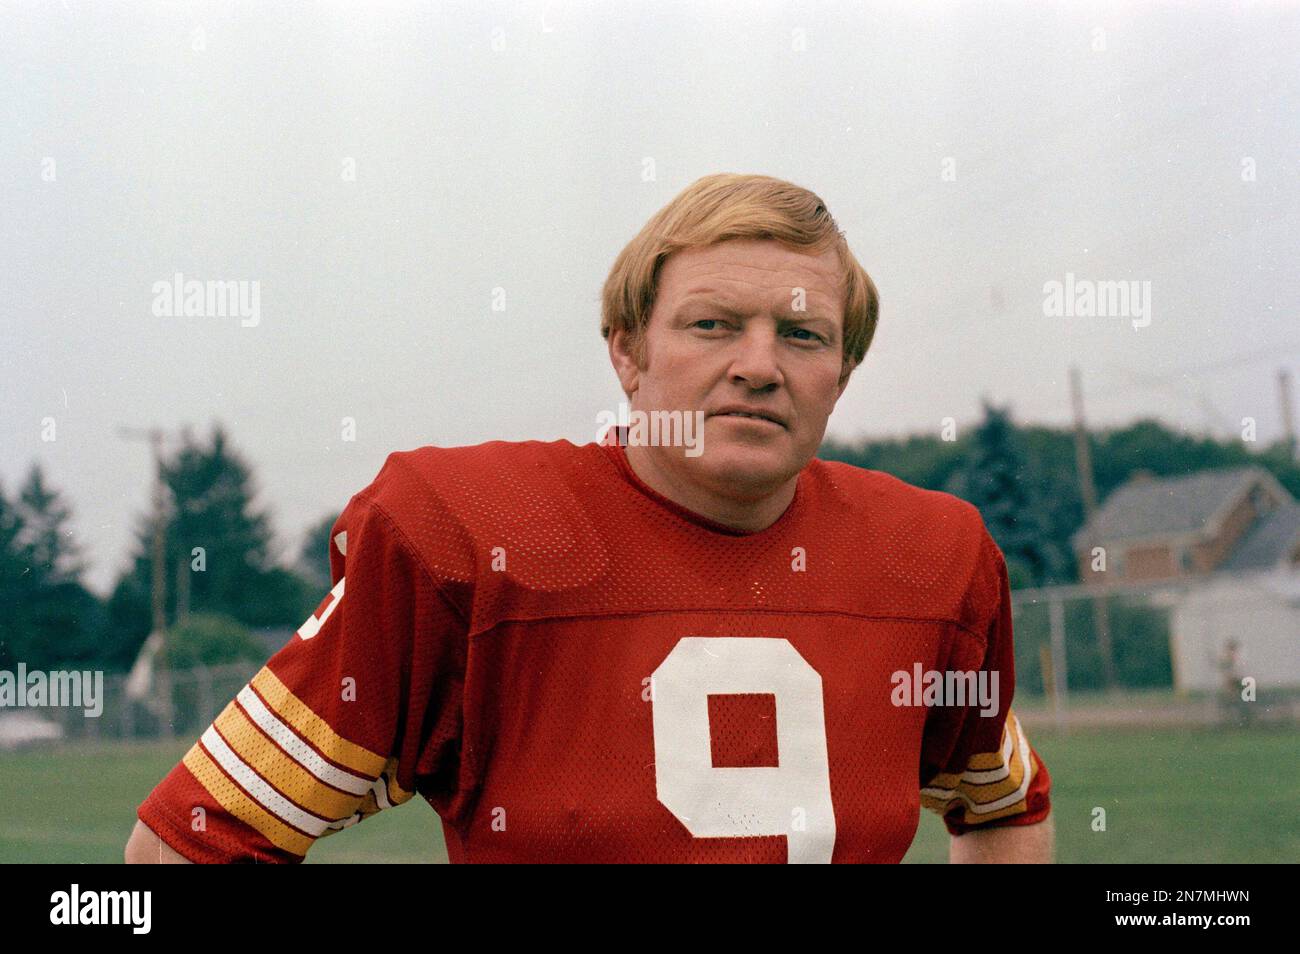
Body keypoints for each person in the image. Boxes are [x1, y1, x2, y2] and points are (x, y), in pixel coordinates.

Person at [125, 173, 1052, 864]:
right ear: (627, 353)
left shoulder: (929, 557)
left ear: (840, 375)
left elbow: (1005, 802)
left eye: (803, 334)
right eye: (713, 324)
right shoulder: (464, 536)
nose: (760, 365)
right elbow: (187, 842)